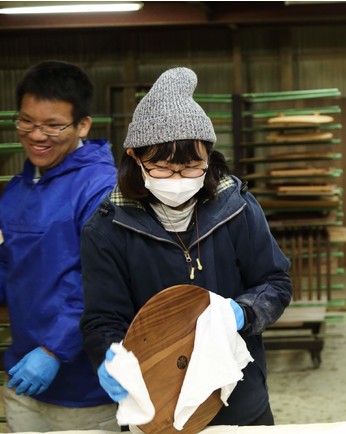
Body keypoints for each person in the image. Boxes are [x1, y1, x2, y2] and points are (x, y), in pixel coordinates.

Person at [79, 67, 292, 427]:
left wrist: (243, 312)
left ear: (208, 156)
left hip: (239, 399)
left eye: (192, 166)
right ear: (134, 158)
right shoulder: (107, 227)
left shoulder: (235, 207)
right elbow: (103, 318)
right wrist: (108, 355)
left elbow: (275, 282)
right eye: (162, 168)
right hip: (156, 401)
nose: (178, 180)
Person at [0, 60, 119, 432]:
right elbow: (11, 271)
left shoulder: (100, 187)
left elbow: (101, 280)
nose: (36, 135)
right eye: (26, 121)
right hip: (23, 381)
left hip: (85, 390)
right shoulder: (17, 189)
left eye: (53, 125)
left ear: (83, 125)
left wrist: (53, 349)